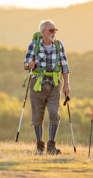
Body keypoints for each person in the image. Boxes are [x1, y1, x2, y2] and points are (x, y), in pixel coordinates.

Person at [23, 20, 70, 155]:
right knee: (37, 116)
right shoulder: (34, 45)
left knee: (54, 113)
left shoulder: (58, 45)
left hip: (55, 84)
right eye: (51, 30)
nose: (54, 33)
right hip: (37, 83)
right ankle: (39, 145)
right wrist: (29, 65)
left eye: (55, 30)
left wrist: (66, 84)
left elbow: (65, 66)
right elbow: (25, 64)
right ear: (43, 32)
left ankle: (51, 145)